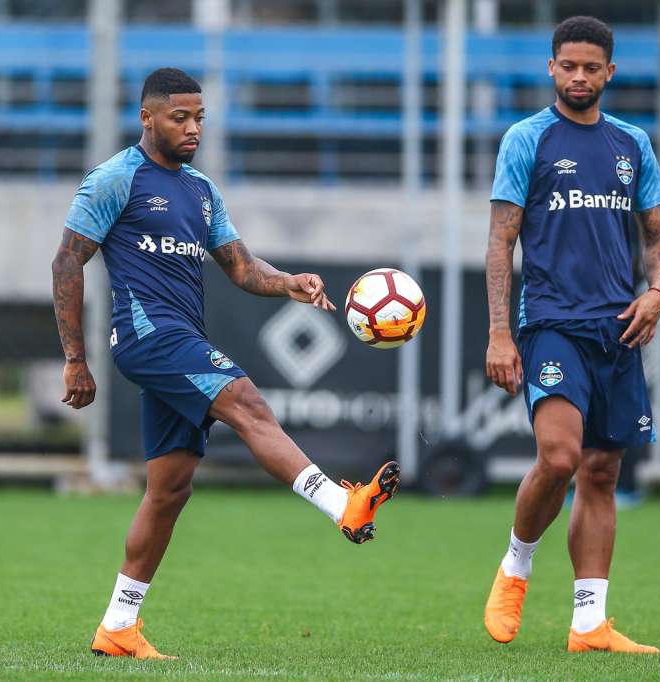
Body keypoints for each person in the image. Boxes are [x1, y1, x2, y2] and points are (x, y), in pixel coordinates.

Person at [51, 67, 400, 660]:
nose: (192, 129)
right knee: (249, 403)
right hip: (147, 336)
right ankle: (342, 504)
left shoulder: (201, 190)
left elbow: (240, 268)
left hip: (179, 335)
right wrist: (75, 360)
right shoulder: (115, 179)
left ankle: (117, 626)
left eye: (199, 117)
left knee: (169, 490)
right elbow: (66, 263)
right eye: (179, 117)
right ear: (147, 117)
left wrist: (289, 282)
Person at [482, 16, 660, 654]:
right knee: (560, 458)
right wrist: (500, 333)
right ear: (552, 68)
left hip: (616, 327)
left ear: (610, 72)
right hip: (551, 323)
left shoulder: (632, 144)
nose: (580, 77)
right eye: (569, 66)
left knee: (602, 470)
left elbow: (658, 237)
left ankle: (589, 623)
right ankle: (516, 565)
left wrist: (657, 290)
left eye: (592, 67)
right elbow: (501, 241)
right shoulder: (527, 139)